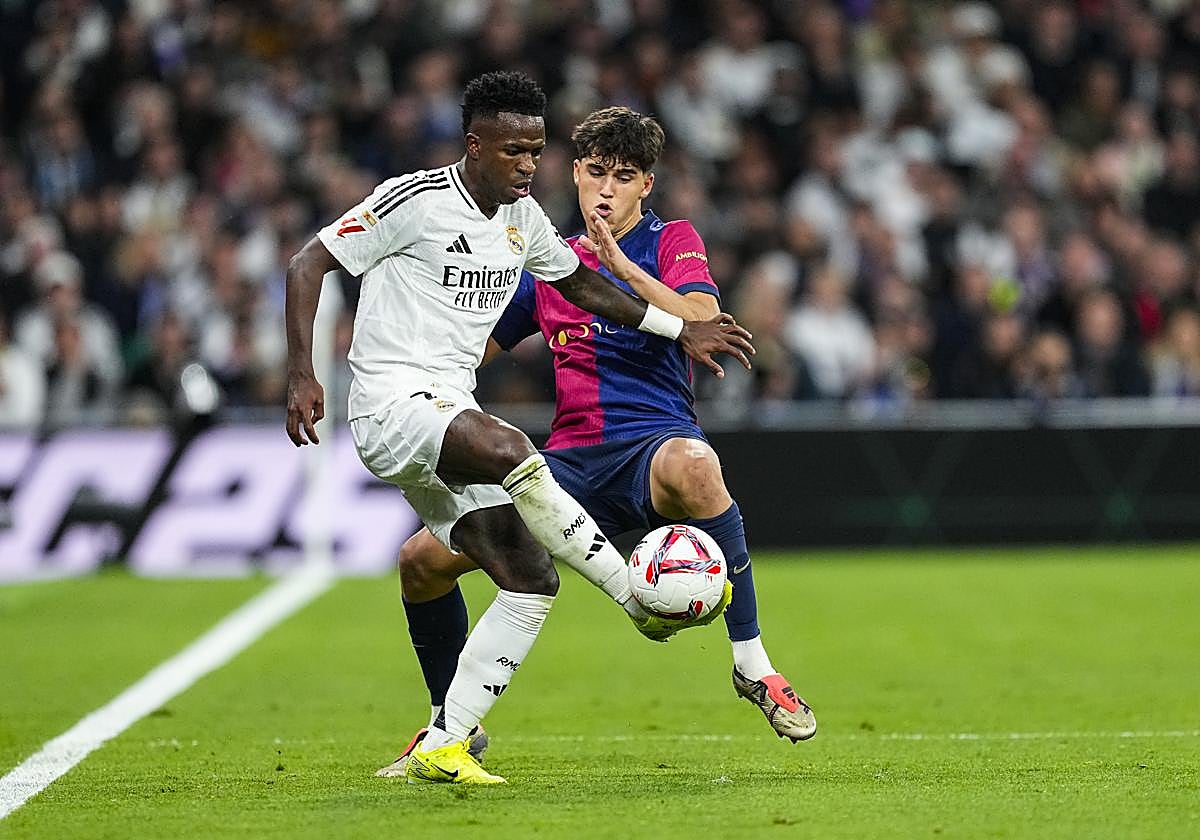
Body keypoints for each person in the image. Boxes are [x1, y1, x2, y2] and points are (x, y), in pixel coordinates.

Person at [284, 73, 754, 785]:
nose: (527, 166)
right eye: (514, 152)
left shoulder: (522, 219)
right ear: (475, 146)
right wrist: (301, 374)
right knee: (511, 448)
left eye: (535, 151)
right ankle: (636, 598)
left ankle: (446, 740)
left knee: (526, 577)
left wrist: (678, 327)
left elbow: (583, 286)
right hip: (390, 403)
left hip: (444, 410)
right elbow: (306, 262)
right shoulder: (413, 199)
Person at [378, 106, 815, 779]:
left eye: (625, 176)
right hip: (567, 468)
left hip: (652, 450)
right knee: (419, 562)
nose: (607, 189)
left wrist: (621, 268)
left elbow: (700, 316)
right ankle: (450, 727)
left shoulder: (673, 241)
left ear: (647, 186)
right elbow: (473, 350)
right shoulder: (549, 264)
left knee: (699, 465)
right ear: (575, 174)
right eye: (597, 173)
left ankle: (754, 667)